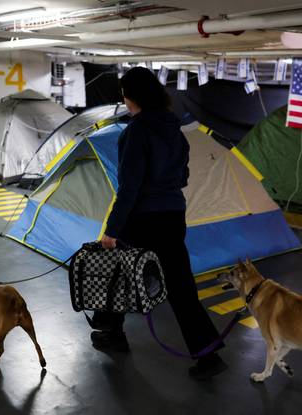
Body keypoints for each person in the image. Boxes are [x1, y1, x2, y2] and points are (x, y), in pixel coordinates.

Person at [91, 67, 228, 380]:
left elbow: (129, 188)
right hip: (172, 216)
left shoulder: (136, 131)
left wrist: (112, 230)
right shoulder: (175, 130)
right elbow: (182, 177)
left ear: (131, 97)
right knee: (181, 288)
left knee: (120, 275)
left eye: (124, 94)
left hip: (142, 218)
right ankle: (208, 355)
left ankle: (111, 332)